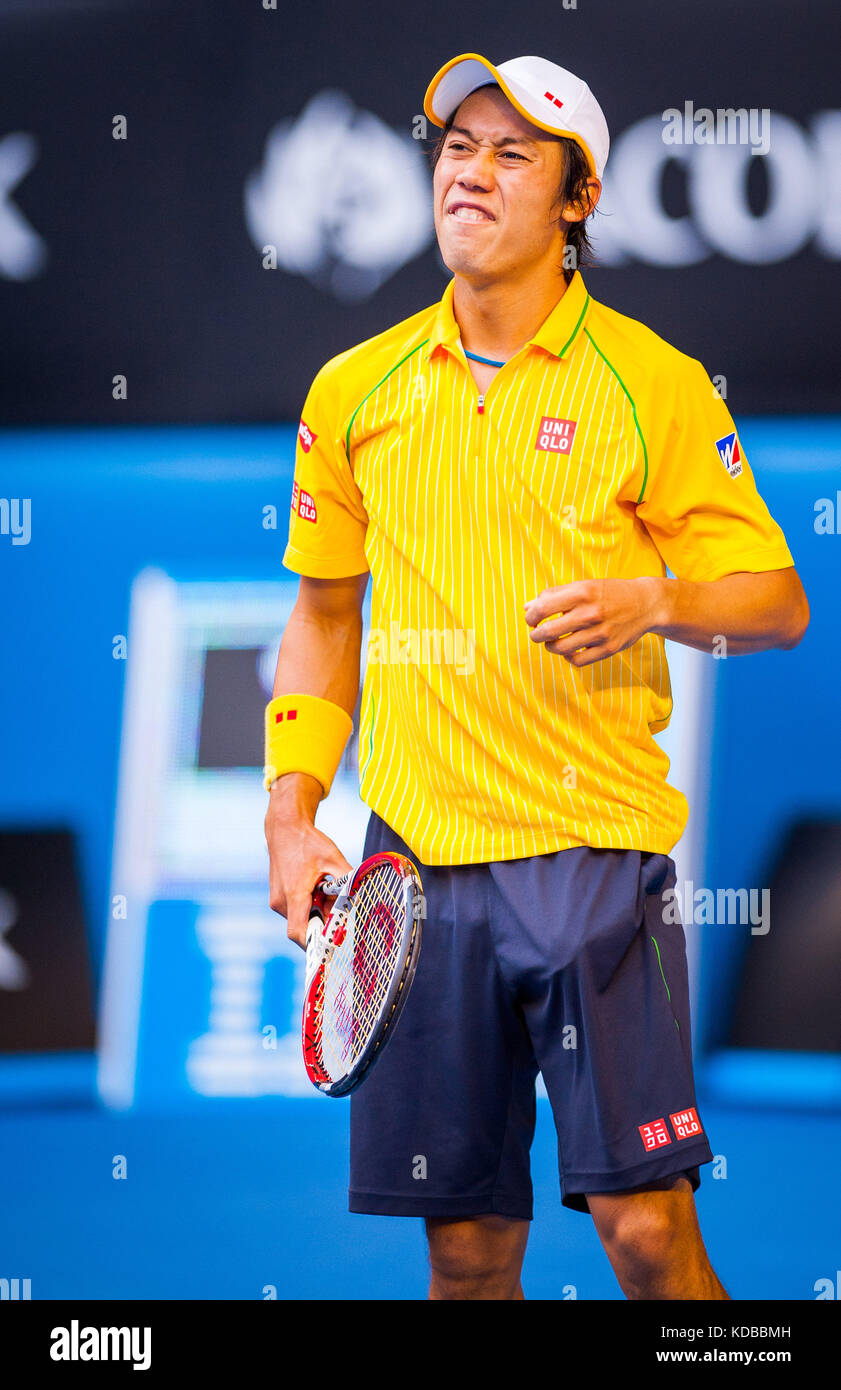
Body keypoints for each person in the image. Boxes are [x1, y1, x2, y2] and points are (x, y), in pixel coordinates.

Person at [264, 52, 809, 1300]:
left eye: (514, 154)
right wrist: (291, 807)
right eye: (458, 146)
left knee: (645, 1233)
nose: (472, 170)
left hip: (588, 864)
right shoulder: (354, 390)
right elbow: (323, 615)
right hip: (410, 874)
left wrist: (658, 599)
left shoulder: (652, 383)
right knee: (464, 1255)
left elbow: (777, 604)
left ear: (578, 202)